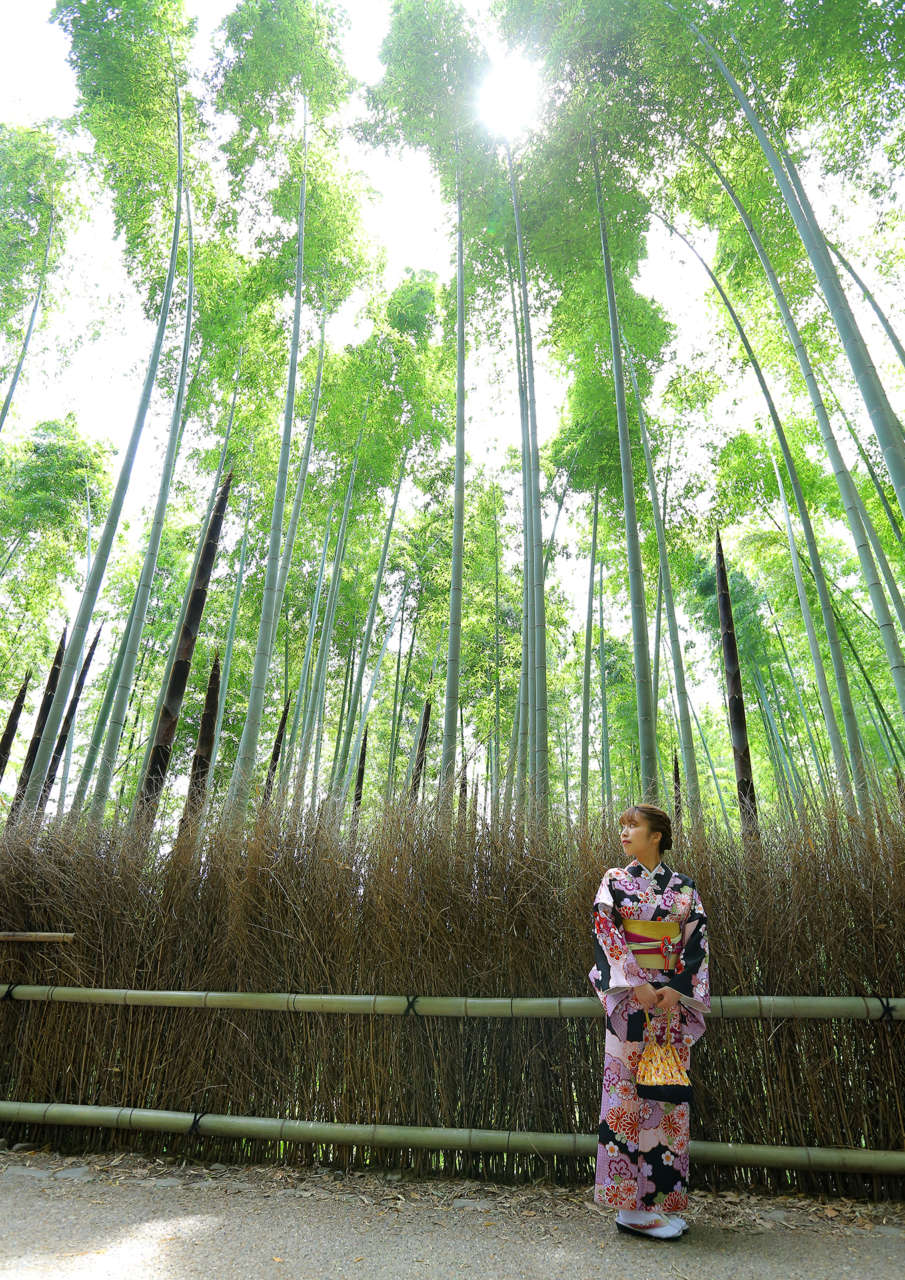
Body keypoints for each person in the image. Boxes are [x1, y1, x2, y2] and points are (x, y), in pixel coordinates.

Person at [589, 804, 710, 1240]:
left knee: (668, 1102)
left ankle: (657, 1205)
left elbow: (696, 945)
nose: (624, 832)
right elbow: (607, 933)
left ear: (656, 835)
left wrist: (675, 989)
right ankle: (629, 1209)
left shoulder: (684, 889)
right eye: (623, 826)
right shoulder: (615, 883)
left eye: (633, 826)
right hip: (630, 1005)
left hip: (671, 1007)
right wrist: (636, 984)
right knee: (626, 1100)